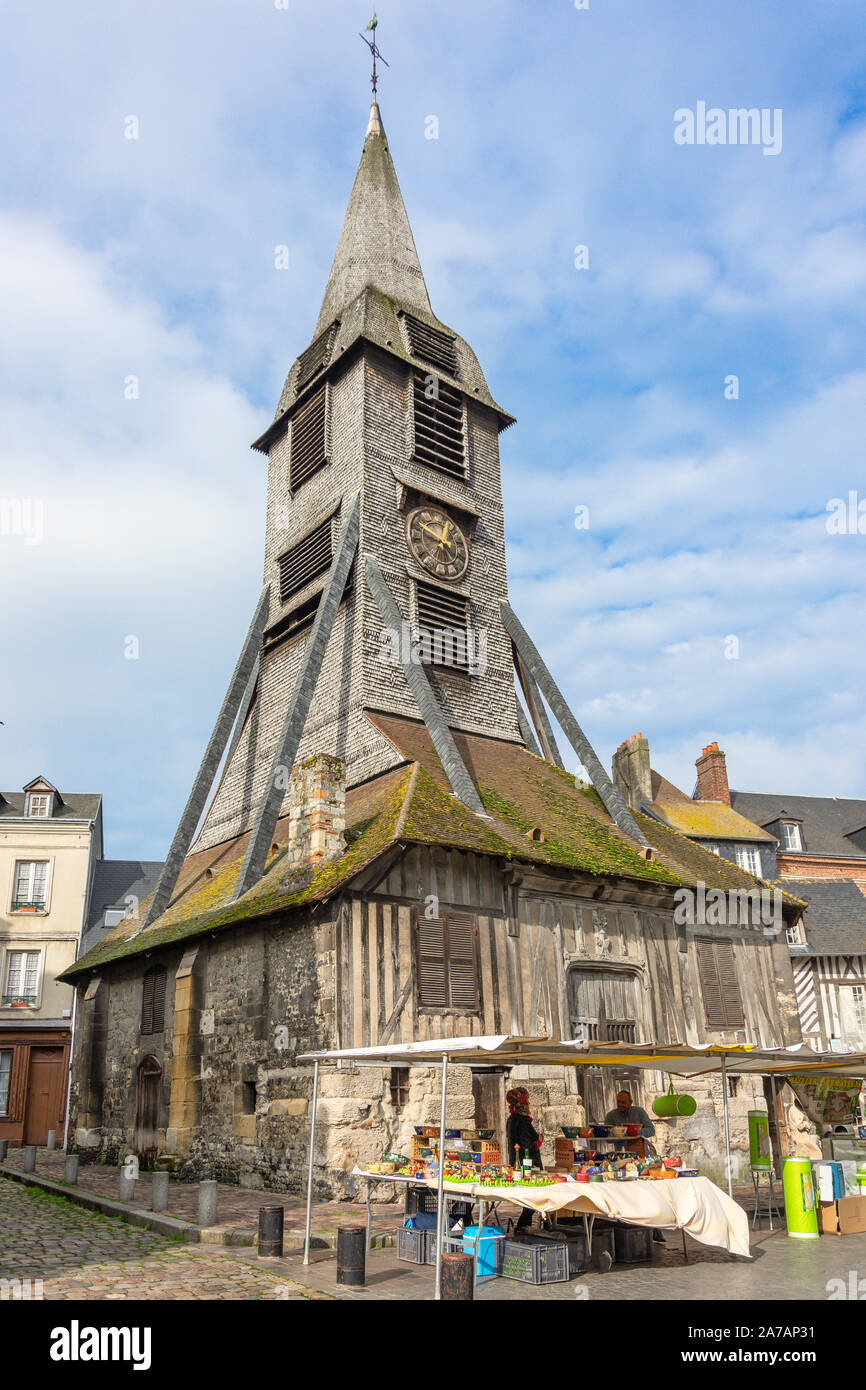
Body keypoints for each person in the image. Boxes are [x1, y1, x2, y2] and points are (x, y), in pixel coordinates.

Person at [505, 1087, 542, 1231]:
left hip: (516, 1164)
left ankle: (523, 1228)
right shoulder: (522, 1121)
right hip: (528, 1166)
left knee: (530, 1203)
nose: (528, 1104)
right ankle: (522, 1228)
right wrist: (538, 1141)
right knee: (532, 1202)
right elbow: (526, 1147)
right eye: (526, 1101)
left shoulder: (511, 1119)